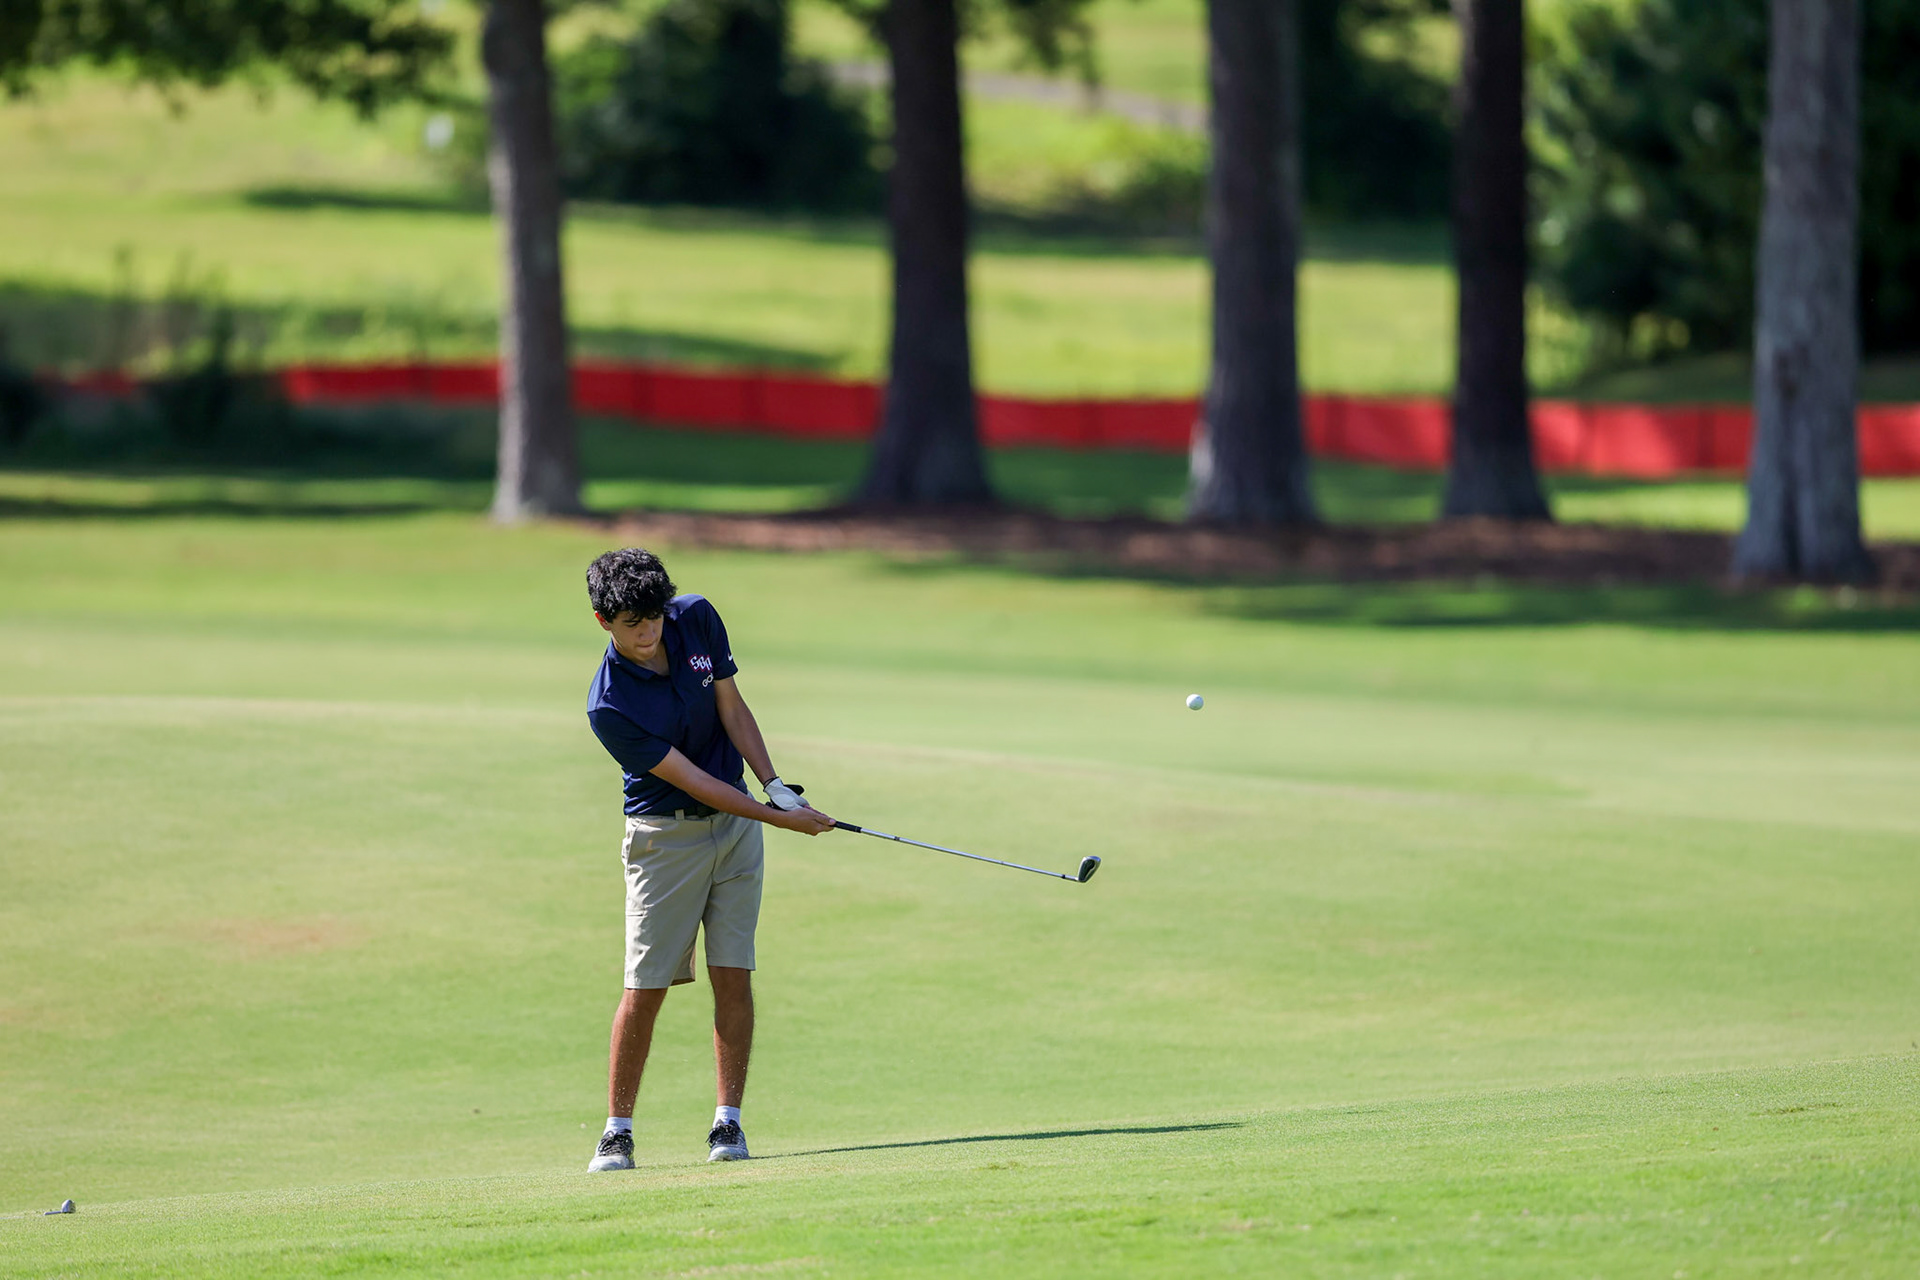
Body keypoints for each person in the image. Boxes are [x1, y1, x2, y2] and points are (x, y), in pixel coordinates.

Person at [581, 547, 835, 1172]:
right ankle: (617, 1132)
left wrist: (774, 785)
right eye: (630, 624)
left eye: (652, 619)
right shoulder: (608, 704)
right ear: (603, 622)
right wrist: (780, 819)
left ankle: (729, 1125)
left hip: (738, 829)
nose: (646, 634)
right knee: (645, 988)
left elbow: (731, 707)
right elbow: (692, 780)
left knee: (733, 972)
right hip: (664, 839)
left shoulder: (694, 617)